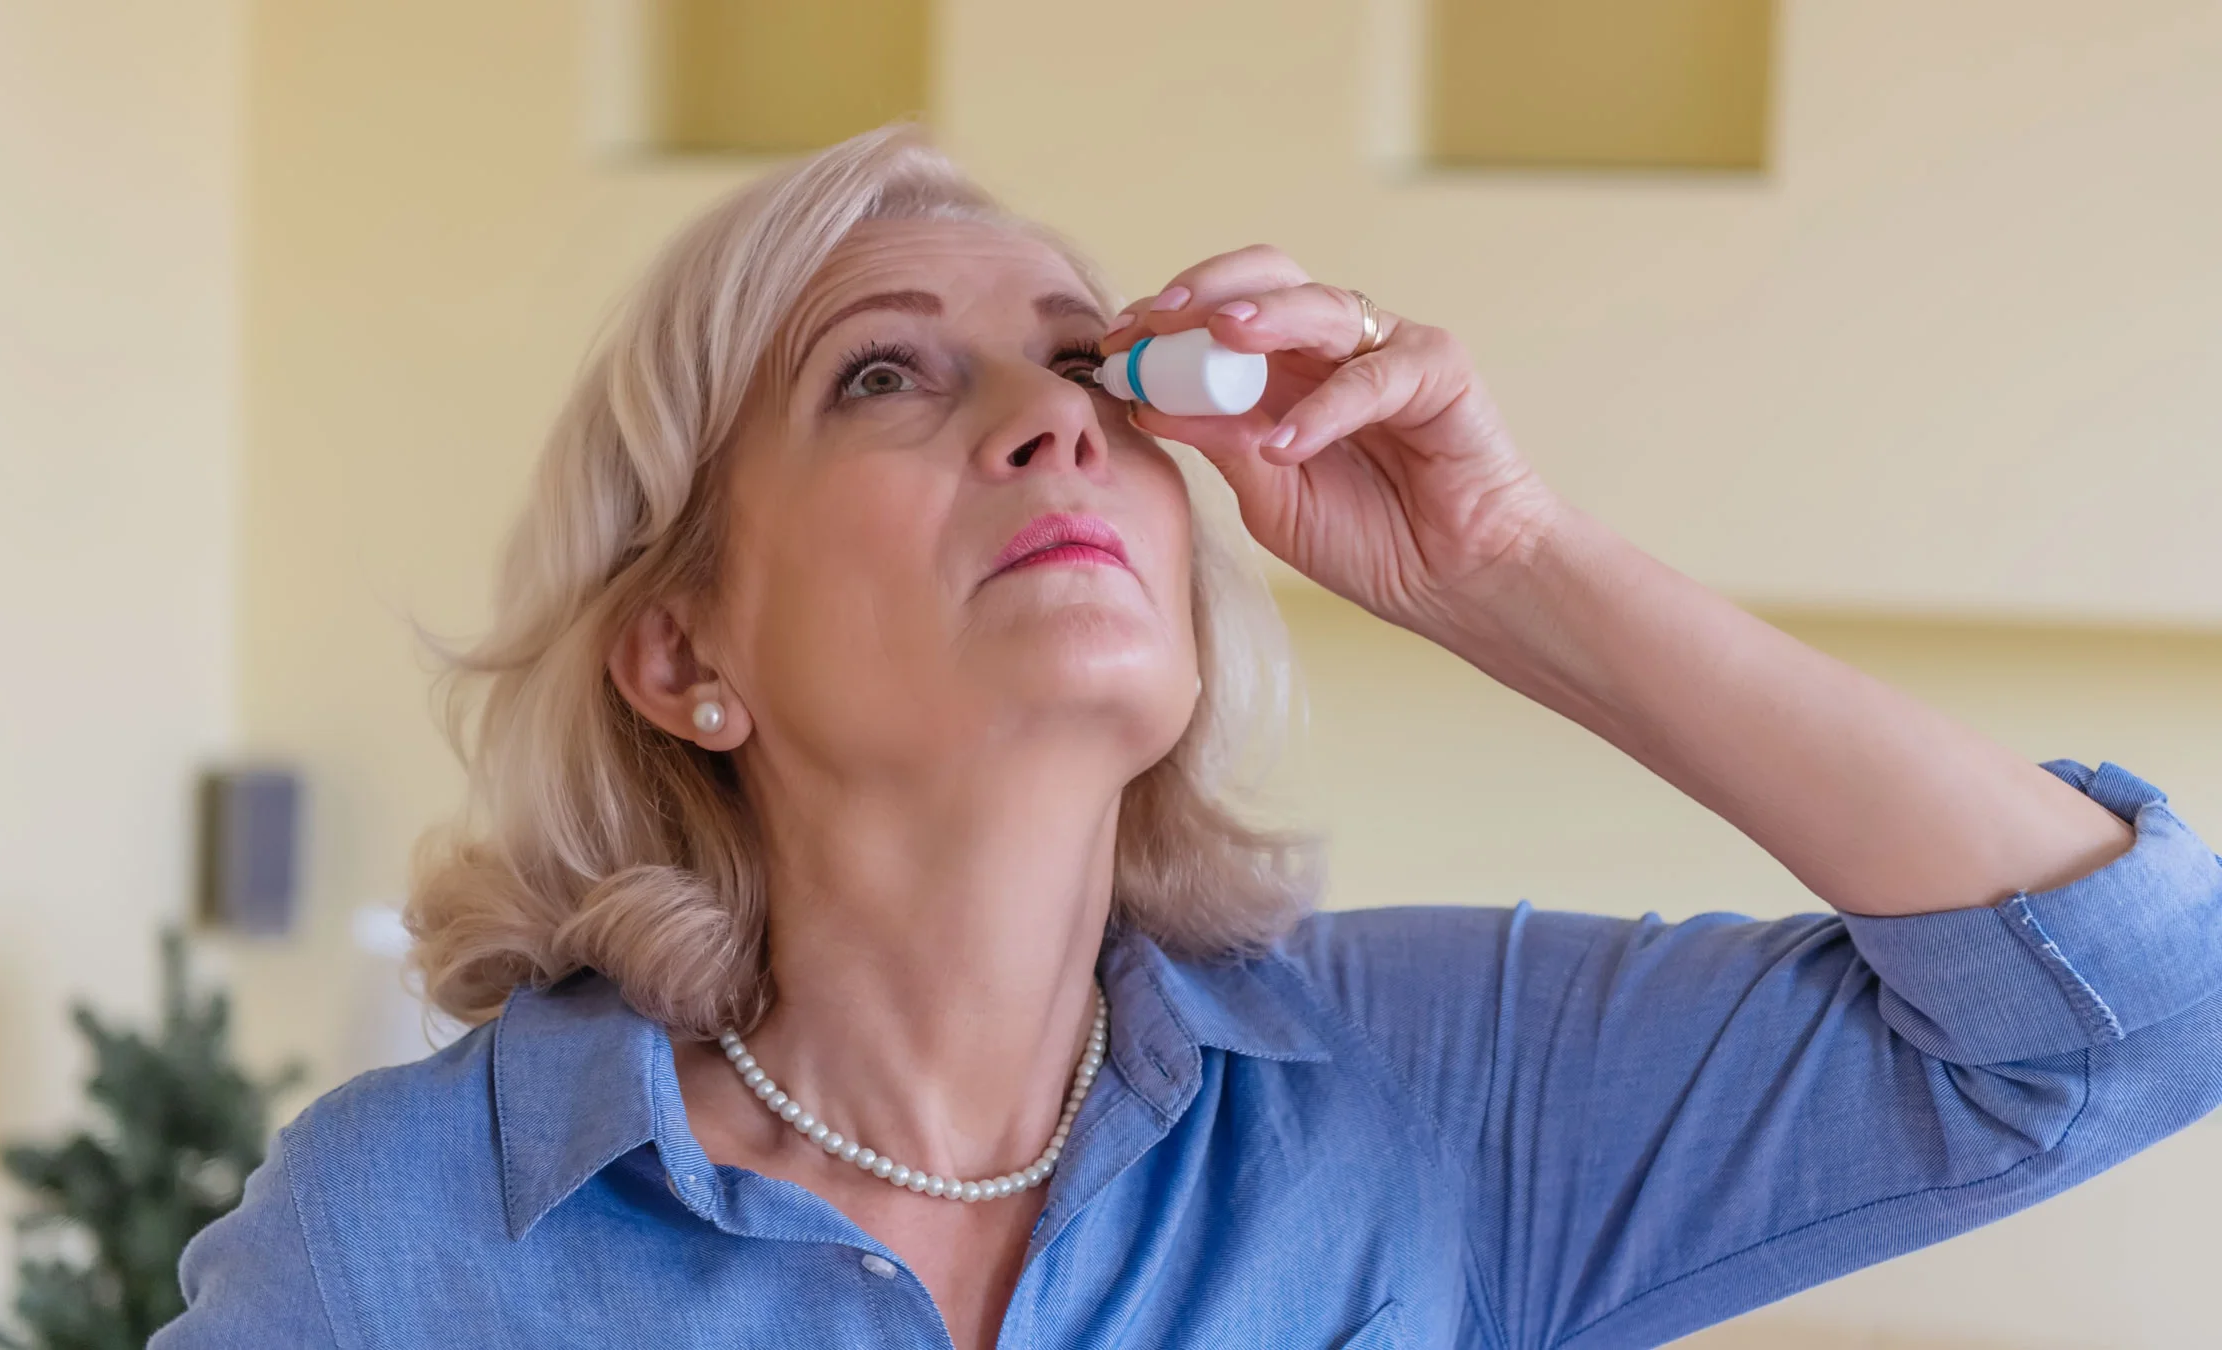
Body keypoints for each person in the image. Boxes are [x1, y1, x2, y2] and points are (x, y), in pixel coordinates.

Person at [152, 125, 2222, 1349]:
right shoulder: (397, 1241)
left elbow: (2128, 1009)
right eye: (885, 377)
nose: (1050, 416)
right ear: (685, 649)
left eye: (1091, 369)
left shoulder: (1436, 1090)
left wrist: (1500, 558)